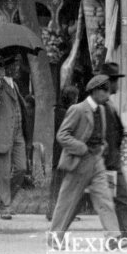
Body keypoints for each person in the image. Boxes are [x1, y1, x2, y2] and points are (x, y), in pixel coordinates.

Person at [50, 74, 120, 246]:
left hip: (96, 161)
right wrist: (80, 147)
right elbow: (62, 135)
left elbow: (99, 133)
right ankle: (54, 238)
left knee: (104, 198)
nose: (108, 94)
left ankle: (113, 237)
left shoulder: (102, 110)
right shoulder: (78, 109)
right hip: (78, 162)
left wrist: (102, 145)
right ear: (95, 91)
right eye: (105, 91)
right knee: (67, 202)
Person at [97, 62, 127, 244]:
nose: (117, 85)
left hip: (111, 160)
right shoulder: (105, 106)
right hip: (109, 162)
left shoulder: (109, 105)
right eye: (115, 81)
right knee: (120, 197)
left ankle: (125, 233)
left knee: (116, 198)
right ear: (109, 82)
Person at [0, 54, 29, 220]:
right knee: (3, 173)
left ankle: (6, 199)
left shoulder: (15, 85)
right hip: (3, 134)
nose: (17, 69)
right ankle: (5, 205)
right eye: (14, 66)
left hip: (17, 134)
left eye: (18, 66)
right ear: (4, 68)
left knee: (22, 168)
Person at [46, 84, 79, 222]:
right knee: (61, 184)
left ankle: (57, 212)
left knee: (61, 184)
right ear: (72, 99)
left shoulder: (59, 111)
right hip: (63, 154)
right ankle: (54, 212)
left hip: (61, 153)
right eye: (76, 97)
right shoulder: (64, 113)